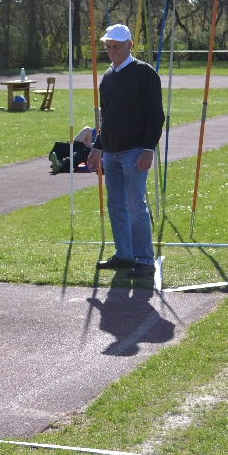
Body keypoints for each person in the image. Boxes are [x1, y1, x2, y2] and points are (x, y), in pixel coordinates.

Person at [86, 24, 164, 279]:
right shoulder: (108, 77)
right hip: (111, 151)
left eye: (116, 47)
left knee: (135, 204)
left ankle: (145, 259)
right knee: (116, 203)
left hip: (135, 152)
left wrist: (147, 149)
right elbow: (106, 117)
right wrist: (97, 147)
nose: (112, 52)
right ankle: (124, 254)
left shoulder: (145, 73)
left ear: (130, 45)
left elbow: (156, 115)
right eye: (108, 47)